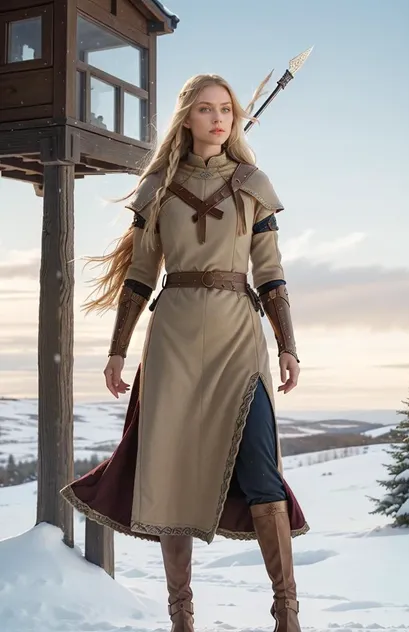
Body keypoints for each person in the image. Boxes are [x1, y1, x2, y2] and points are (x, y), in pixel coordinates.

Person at [61, 74, 309, 632]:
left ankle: (287, 615)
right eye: (206, 109)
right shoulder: (159, 189)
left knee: (262, 473)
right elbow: (140, 276)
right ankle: (182, 619)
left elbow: (270, 274)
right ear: (187, 119)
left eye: (227, 109)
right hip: (171, 342)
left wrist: (288, 345)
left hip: (238, 342)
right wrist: (117, 352)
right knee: (169, 473)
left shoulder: (253, 185)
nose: (219, 119)